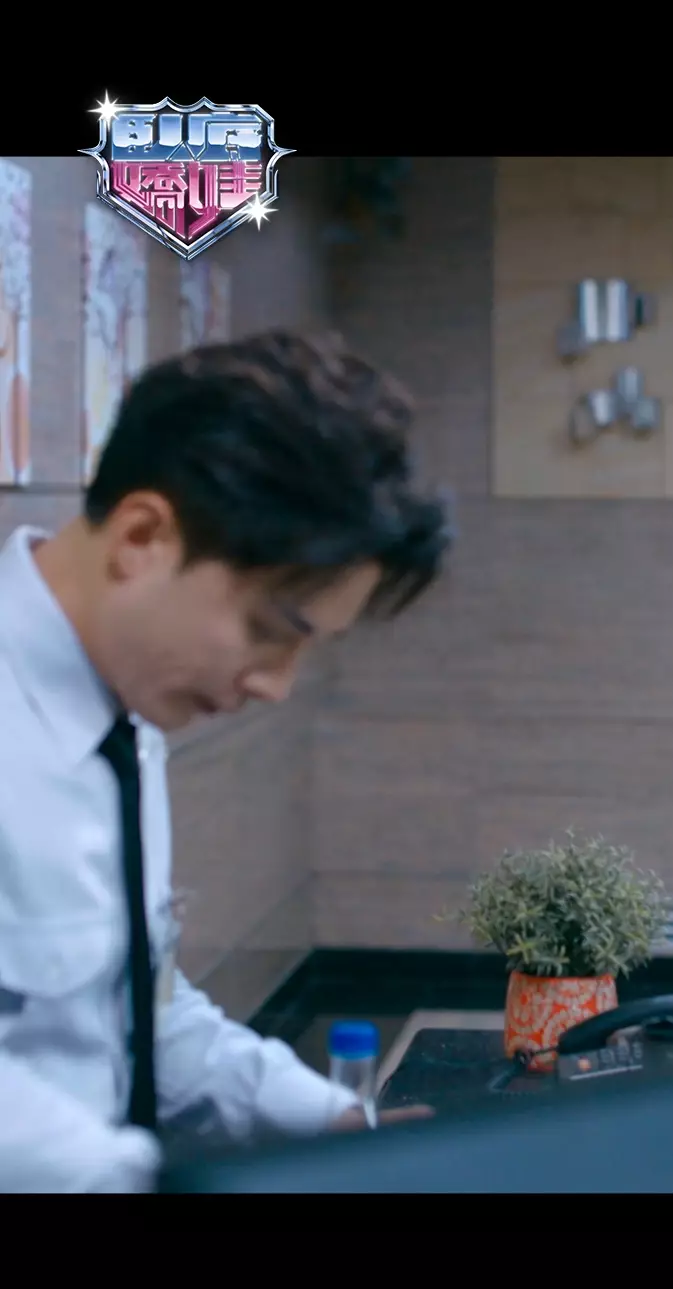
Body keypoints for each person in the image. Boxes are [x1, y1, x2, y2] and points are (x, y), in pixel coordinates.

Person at [0, 330, 451, 1191]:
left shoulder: (120, 727)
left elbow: (140, 1018)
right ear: (141, 537)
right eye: (267, 630)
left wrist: (338, 1126)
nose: (276, 686)